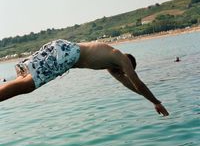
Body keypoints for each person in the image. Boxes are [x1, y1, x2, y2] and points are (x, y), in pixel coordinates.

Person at [0, 39, 169, 116]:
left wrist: (150, 100)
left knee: (24, 80)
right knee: (29, 84)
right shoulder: (120, 58)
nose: (124, 73)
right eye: (127, 70)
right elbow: (137, 83)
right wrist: (156, 101)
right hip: (69, 53)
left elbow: (130, 85)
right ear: (128, 64)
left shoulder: (111, 64)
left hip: (63, 47)